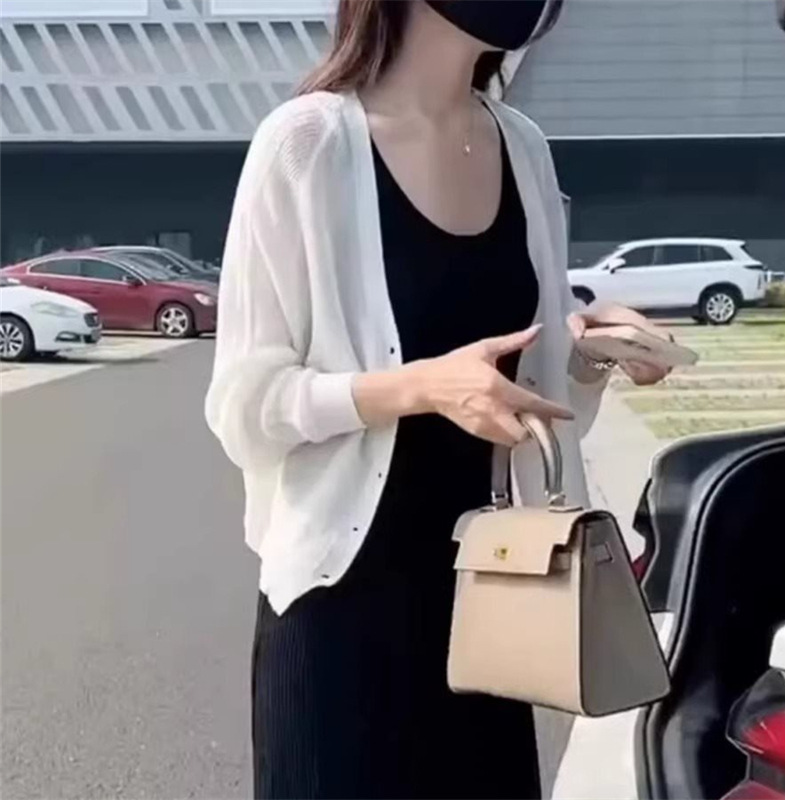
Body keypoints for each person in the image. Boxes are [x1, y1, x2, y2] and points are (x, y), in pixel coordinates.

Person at [205, 1, 669, 797]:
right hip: (340, 612)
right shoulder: (306, 143)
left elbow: (530, 387)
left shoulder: (522, 147)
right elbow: (244, 405)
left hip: (493, 606)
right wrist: (417, 386)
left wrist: (594, 355)